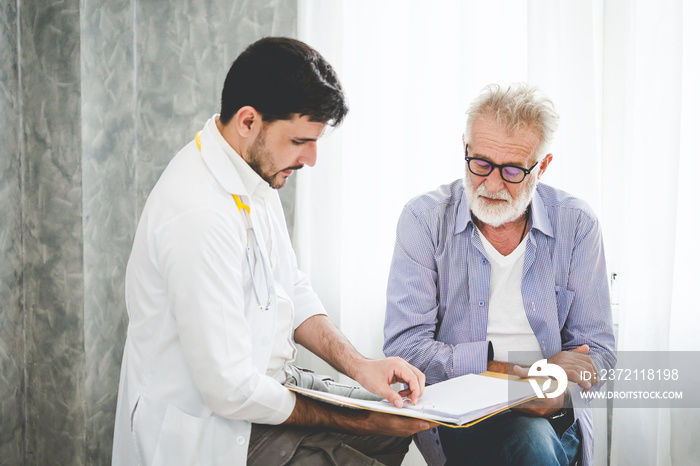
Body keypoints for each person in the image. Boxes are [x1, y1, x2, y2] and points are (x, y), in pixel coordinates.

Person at [112, 37, 434, 466]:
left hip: (264, 387)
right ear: (248, 121)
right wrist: (354, 421)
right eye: (301, 140)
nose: (312, 159)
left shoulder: (251, 174)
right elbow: (230, 390)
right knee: (367, 437)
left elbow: (292, 289)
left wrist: (360, 366)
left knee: (395, 426)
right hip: (212, 425)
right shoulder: (198, 214)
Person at [383, 83, 616, 466]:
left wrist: (558, 395)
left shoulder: (577, 224)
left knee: (536, 439)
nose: (491, 185)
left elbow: (598, 352)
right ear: (465, 146)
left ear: (542, 166)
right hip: (461, 413)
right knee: (530, 444)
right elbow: (405, 348)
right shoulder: (423, 220)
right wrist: (516, 374)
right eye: (480, 164)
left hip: (553, 413)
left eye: (511, 171)